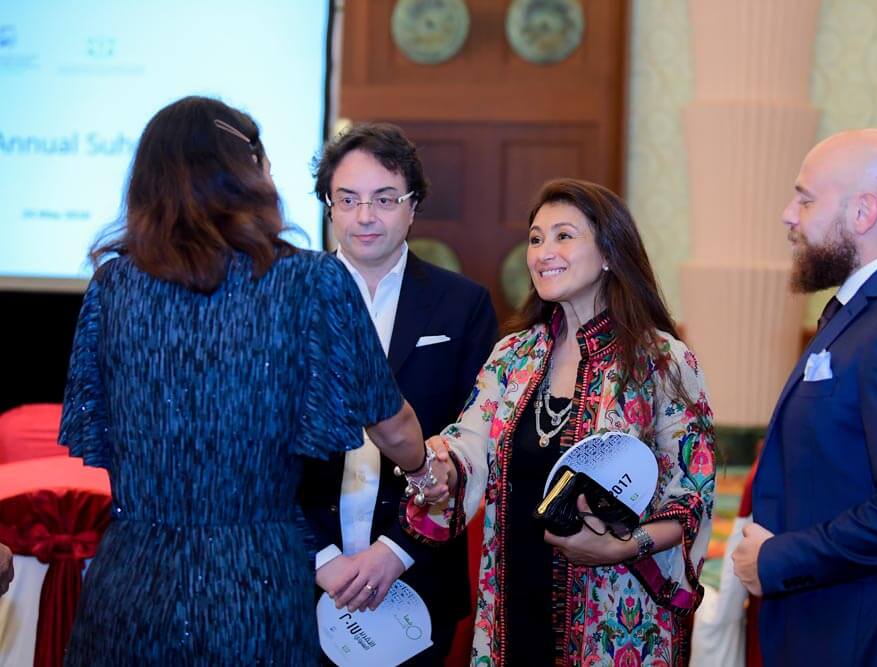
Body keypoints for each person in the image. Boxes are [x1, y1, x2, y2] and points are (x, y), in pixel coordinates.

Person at [57, 96, 441, 665]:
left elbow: (101, 428)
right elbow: (391, 425)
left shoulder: (113, 286)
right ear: (250, 174)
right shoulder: (309, 281)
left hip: (133, 576)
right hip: (254, 581)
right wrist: (425, 472)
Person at [406, 178, 716, 666]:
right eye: (535, 239)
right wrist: (432, 460)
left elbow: (692, 492)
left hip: (615, 612)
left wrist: (623, 547)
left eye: (564, 236)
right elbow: (466, 446)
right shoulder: (512, 355)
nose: (543, 252)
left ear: (610, 253)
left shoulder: (661, 360)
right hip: (513, 602)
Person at [732, 129, 877, 666]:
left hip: (866, 639)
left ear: (863, 212)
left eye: (805, 199)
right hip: (828, 624)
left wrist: (777, 559)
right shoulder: (867, 312)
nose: (788, 215)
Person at [299, 123, 497, 664]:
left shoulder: (463, 305)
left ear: (413, 207)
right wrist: (321, 560)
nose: (365, 216)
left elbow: (475, 440)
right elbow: (258, 448)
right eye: (348, 199)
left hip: (419, 575)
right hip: (299, 574)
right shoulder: (285, 301)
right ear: (329, 207)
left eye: (385, 199)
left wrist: (396, 550)